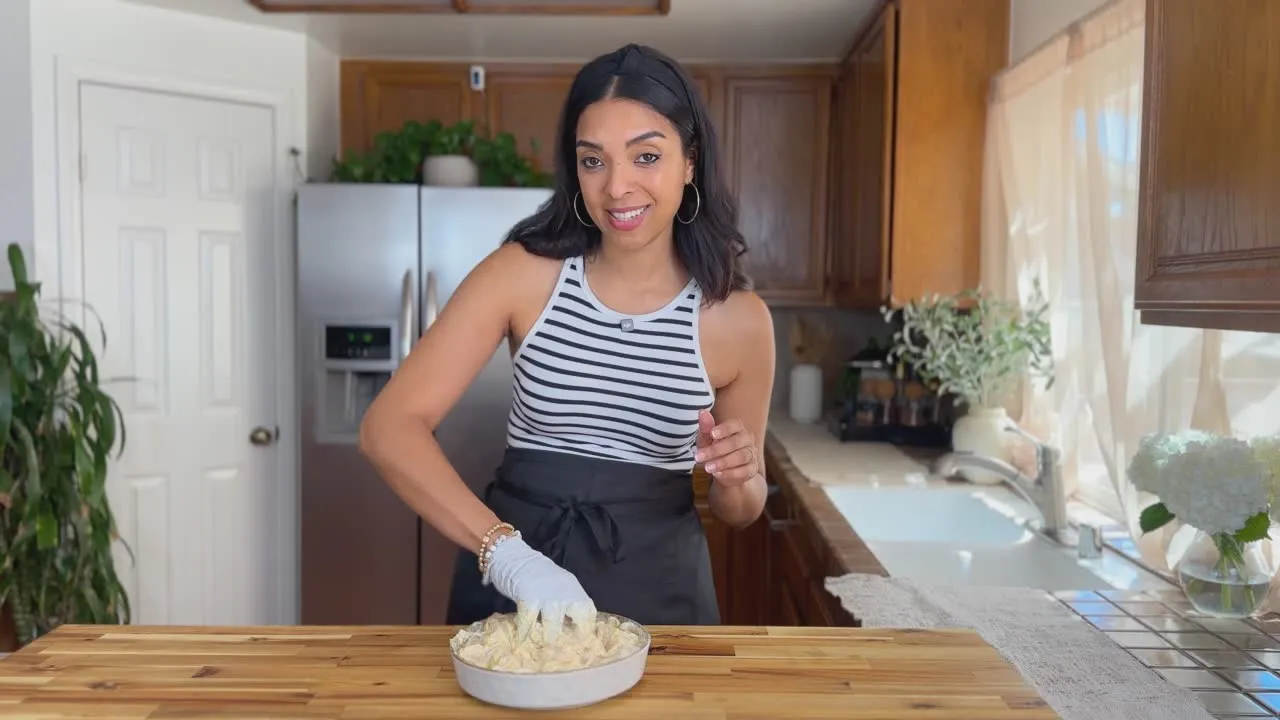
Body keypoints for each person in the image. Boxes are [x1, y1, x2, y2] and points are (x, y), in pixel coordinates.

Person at [358, 43, 775, 640]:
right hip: (517, 578)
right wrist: (508, 557)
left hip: (659, 587)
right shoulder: (522, 274)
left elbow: (741, 511)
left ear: (690, 161)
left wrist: (740, 477)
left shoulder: (739, 320)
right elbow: (387, 428)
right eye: (593, 160)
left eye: (647, 156)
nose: (617, 188)